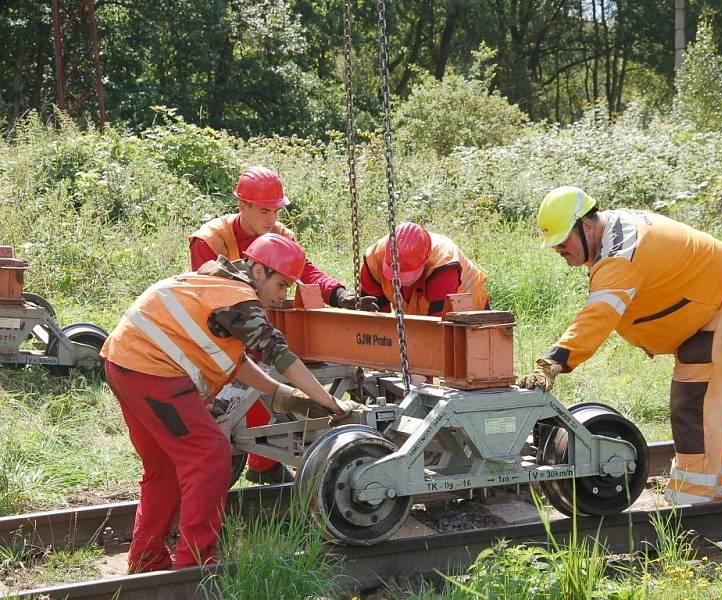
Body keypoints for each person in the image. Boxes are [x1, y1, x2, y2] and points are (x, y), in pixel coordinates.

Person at [101, 233, 353, 573]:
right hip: (152, 372)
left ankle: (146, 563)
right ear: (260, 271)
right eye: (281, 285)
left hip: (125, 363)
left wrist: (280, 394)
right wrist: (330, 403)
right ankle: (196, 566)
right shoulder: (240, 299)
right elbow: (281, 355)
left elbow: (234, 360)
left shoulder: (217, 282)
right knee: (209, 457)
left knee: (164, 468)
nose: (283, 296)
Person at [519, 185, 722, 506]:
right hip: (717, 294)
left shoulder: (620, 255)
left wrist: (553, 363)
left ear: (587, 227)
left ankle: (692, 504)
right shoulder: (608, 234)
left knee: (695, 401)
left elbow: (599, 316)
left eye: (562, 241)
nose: (558, 249)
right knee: (713, 401)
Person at [189, 165, 376, 485]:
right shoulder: (210, 239)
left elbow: (306, 272)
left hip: (262, 327)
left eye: (276, 210)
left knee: (267, 384)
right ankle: (216, 457)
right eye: (263, 210)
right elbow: (209, 299)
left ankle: (264, 465)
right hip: (218, 331)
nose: (271, 219)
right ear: (241, 205)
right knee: (235, 391)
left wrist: (340, 295)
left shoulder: (280, 236)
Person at [359, 221, 489, 317]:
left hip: (467, 307)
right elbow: (377, 320)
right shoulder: (374, 260)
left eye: (405, 276)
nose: (398, 282)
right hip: (418, 308)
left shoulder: (442, 266)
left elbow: (440, 329)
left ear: (424, 263)